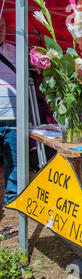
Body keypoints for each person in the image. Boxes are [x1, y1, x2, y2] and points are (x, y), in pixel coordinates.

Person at [0, 16, 18, 238]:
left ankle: (13, 204)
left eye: (3, 27)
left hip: (13, 117)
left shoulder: (14, 51)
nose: (1, 31)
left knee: (13, 163)